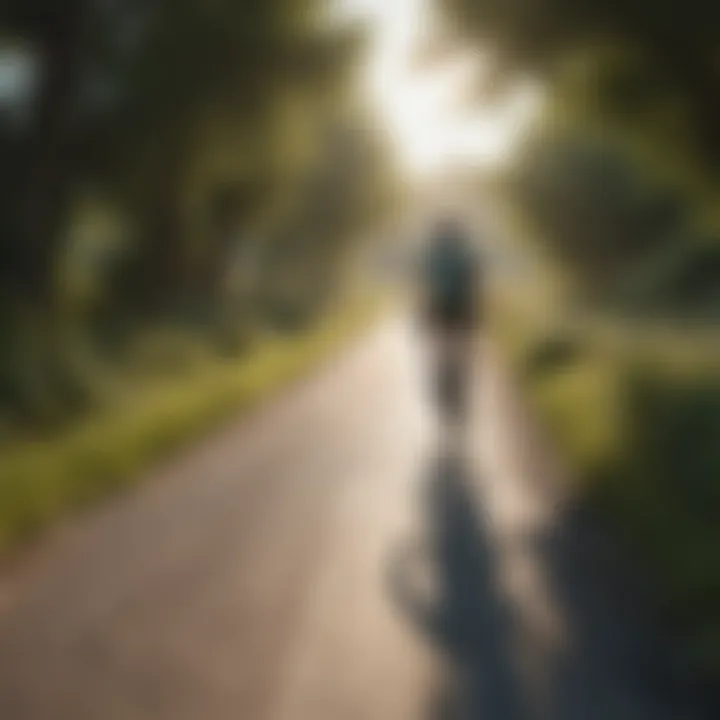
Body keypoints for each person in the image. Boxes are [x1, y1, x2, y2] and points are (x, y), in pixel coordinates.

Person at [418, 216, 483, 428]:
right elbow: (474, 283)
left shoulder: (432, 255)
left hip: (440, 304)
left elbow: (426, 283)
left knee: (441, 344)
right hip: (461, 304)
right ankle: (457, 379)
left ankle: (444, 378)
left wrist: (424, 310)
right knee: (462, 345)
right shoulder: (466, 255)